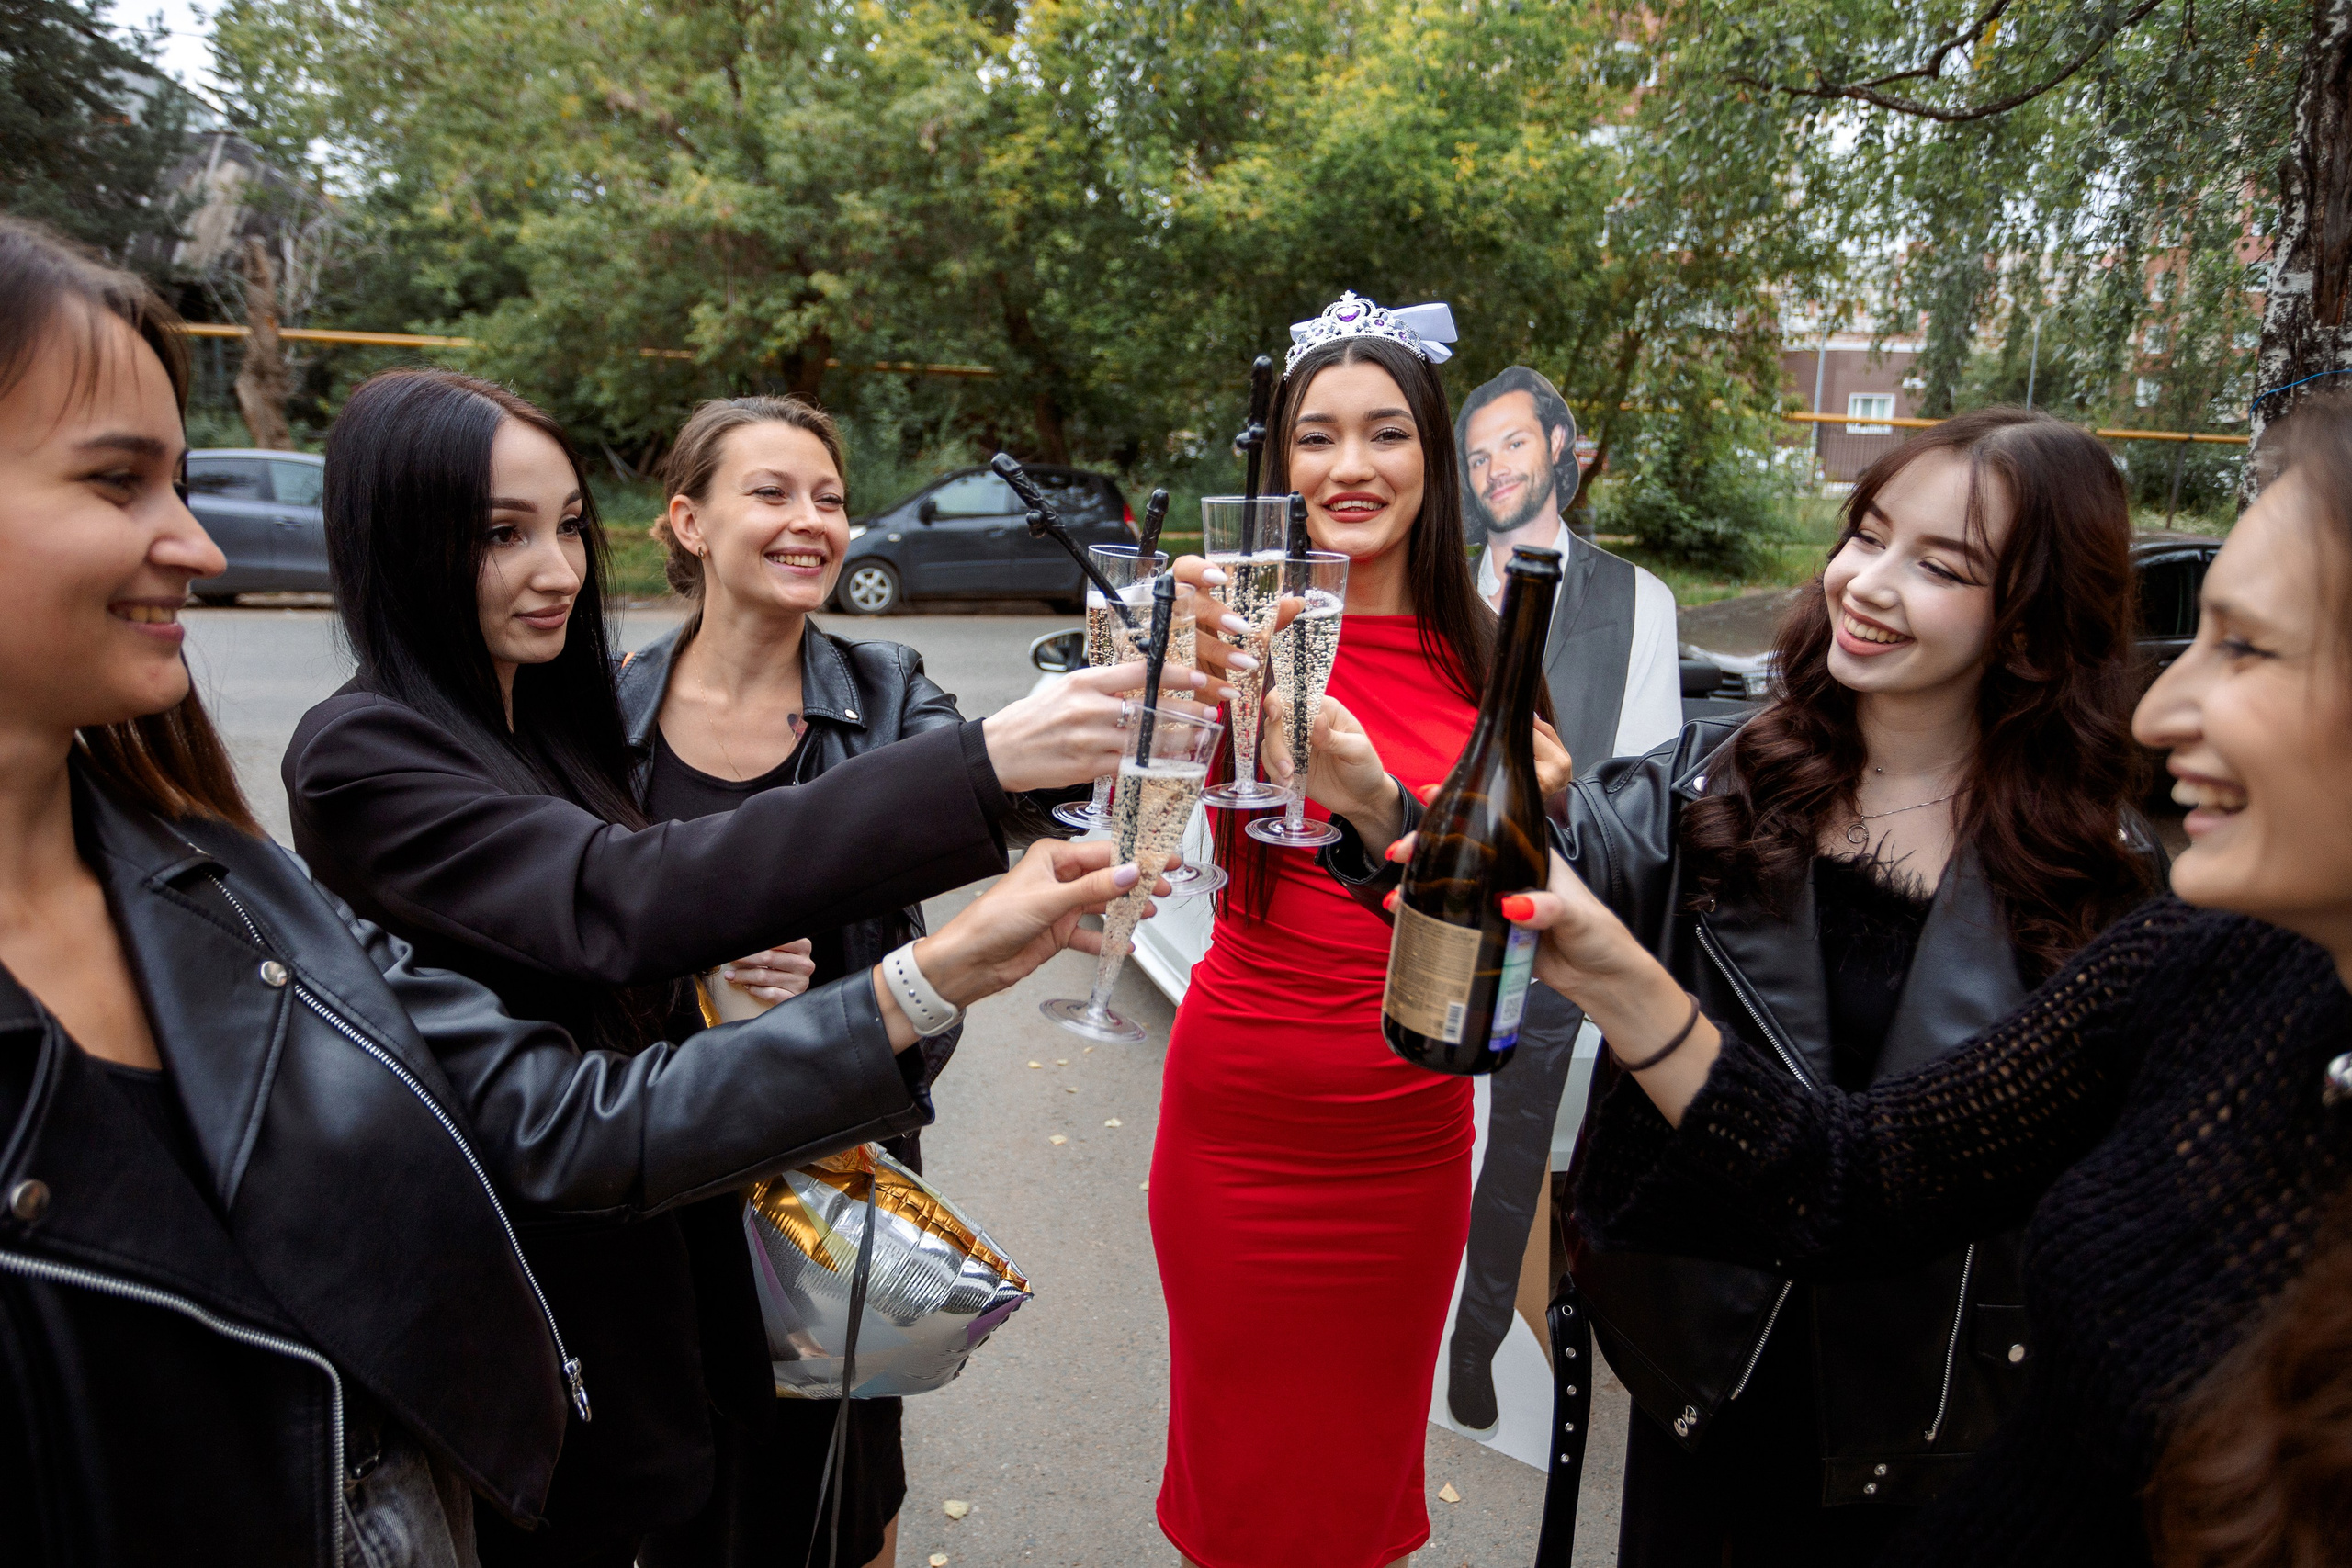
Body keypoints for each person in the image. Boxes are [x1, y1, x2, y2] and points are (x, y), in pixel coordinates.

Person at [1406, 392, 2352, 1564]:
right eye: (1865, 532)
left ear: (2027, 623)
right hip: (1709, 1382)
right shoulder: (1723, 776)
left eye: (1941, 562)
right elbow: (1848, 1175)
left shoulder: (2133, 897)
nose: (1865, 579)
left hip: (1925, 1423)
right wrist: (1360, 794)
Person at [282, 367, 1188, 1566]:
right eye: (503, 533)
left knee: (819, 1505)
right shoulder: (378, 751)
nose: (556, 569)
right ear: (687, 522)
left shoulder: (562, 724)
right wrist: (972, 803)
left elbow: (646, 917)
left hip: (757, 1227)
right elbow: (618, 909)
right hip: (563, 1319)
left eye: (564, 525)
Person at [612, 395, 1134, 1568]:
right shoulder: (603, 717)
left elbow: (1038, 796)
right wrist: (697, 969)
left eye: (832, 498)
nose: (813, 522)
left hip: (836, 1184)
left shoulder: (889, 693)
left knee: (841, 1504)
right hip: (648, 1177)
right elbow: (564, 933)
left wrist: (1149, 702)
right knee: (666, 1498)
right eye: (774, 493)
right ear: (688, 523)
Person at [1149, 294, 1568, 1568]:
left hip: (1405, 1136)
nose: (1349, 466)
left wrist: (1420, 797)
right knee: (1240, 1490)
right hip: (1239, 1121)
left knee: (1353, 1497)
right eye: (1315, 436)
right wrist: (1163, 679)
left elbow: (1524, 910)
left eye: (1384, 433)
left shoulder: (1494, 659)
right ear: (1279, 463)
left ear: (1432, 461)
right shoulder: (1232, 640)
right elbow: (1138, 819)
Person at [1443, 366, 1683, 1429]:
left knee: (1511, 1161)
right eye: (1477, 453)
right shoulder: (1434, 591)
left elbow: (1644, 791)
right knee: (1416, 1138)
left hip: (1550, 922)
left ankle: (1476, 1342)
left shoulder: (1639, 601)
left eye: (1512, 445)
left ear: (1564, 453)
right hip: (1423, 913)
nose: (1494, 468)